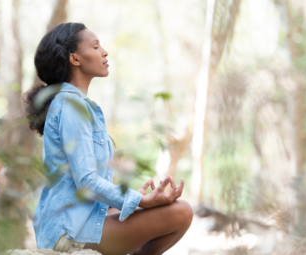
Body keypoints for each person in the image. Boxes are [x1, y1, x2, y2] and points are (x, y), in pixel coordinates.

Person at [23, 22, 193, 255]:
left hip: (78, 219)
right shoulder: (71, 106)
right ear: (75, 59)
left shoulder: (74, 104)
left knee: (166, 209)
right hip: (68, 232)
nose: (104, 52)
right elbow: (86, 181)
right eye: (95, 46)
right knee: (181, 212)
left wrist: (133, 200)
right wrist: (140, 201)